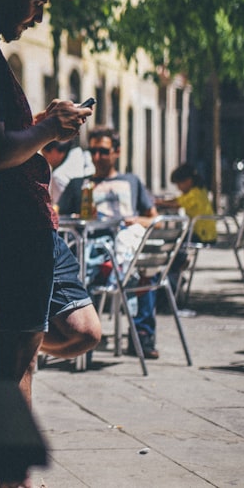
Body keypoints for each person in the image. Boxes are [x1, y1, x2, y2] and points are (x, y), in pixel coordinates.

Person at [0, 0, 100, 449]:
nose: (37, 19)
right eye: (36, 1)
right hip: (15, 227)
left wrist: (38, 126)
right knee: (17, 360)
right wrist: (48, 131)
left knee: (68, 337)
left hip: (35, 226)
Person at [58, 126, 161, 357]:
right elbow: (56, 215)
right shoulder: (79, 185)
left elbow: (155, 219)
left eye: (103, 152)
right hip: (91, 252)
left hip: (125, 251)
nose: (97, 157)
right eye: (92, 151)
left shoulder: (131, 181)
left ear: (117, 152)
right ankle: (81, 336)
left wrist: (135, 220)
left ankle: (142, 336)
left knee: (145, 269)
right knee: (81, 269)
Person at [157, 162, 217, 299]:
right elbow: (178, 199)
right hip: (201, 233)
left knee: (174, 244)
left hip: (202, 235)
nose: (178, 187)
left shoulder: (195, 194)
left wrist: (159, 203)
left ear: (188, 181)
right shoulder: (198, 191)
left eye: (179, 184)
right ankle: (177, 268)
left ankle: (176, 269)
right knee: (175, 243)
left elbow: (177, 204)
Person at [41, 138, 94, 205]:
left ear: (54, 151)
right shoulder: (86, 154)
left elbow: (59, 208)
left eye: (45, 156)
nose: (47, 161)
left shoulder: (58, 176)